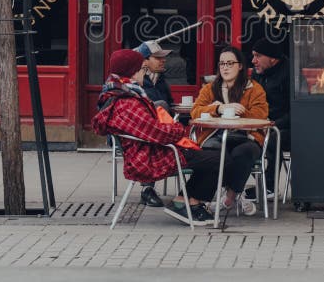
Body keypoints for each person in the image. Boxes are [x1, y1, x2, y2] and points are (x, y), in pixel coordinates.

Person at [91, 49, 220, 226]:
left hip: (150, 152)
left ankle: (186, 200)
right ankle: (188, 203)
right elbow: (157, 133)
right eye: (142, 70)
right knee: (216, 159)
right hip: (149, 158)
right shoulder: (126, 101)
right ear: (132, 72)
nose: (144, 74)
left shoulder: (121, 94)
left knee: (211, 155)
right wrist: (179, 129)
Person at [190, 46, 269, 216]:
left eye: (230, 63)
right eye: (221, 64)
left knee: (244, 152)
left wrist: (239, 111)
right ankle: (219, 196)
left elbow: (261, 114)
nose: (225, 67)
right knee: (218, 155)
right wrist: (219, 108)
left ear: (240, 66)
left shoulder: (254, 88)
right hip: (215, 136)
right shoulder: (210, 88)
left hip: (246, 137)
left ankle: (230, 197)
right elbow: (195, 111)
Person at [133, 40, 174, 207]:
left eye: (163, 57)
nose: (163, 60)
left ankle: (191, 190)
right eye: (158, 57)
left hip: (158, 128)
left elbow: (169, 104)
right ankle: (147, 189)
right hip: (136, 133)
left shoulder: (160, 78)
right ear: (144, 61)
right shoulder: (134, 81)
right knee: (154, 142)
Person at [249, 38, 290, 200]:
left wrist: (274, 124)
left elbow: (296, 111)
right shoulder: (256, 74)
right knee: (237, 140)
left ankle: (270, 186)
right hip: (261, 123)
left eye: (258, 56)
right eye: (253, 56)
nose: (253, 61)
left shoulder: (289, 74)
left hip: (287, 127)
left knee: (272, 139)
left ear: (272, 58)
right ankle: (262, 184)